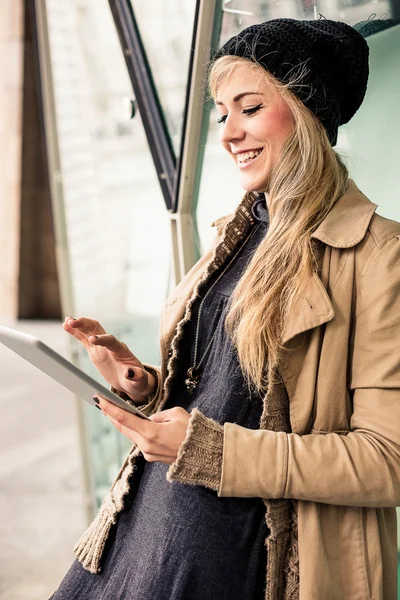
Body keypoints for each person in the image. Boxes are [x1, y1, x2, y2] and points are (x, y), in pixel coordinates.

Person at [50, 18, 400, 600]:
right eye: (221, 113)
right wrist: (146, 388)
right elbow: (227, 400)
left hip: (242, 564)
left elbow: (387, 460)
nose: (229, 132)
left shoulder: (380, 257)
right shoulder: (239, 233)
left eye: (250, 107)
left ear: (308, 112)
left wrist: (210, 451)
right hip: (145, 527)